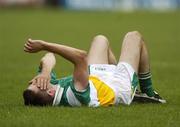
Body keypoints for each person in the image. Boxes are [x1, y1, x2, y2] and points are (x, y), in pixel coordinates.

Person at [23, 31, 166, 107]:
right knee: (134, 37)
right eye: (36, 84)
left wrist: (45, 72)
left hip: (96, 81)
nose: (34, 81)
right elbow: (81, 57)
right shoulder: (74, 94)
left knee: (100, 39)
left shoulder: (49, 84)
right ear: (50, 91)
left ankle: (136, 90)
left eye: (32, 83)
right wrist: (44, 45)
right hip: (117, 87)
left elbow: (49, 57)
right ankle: (149, 93)